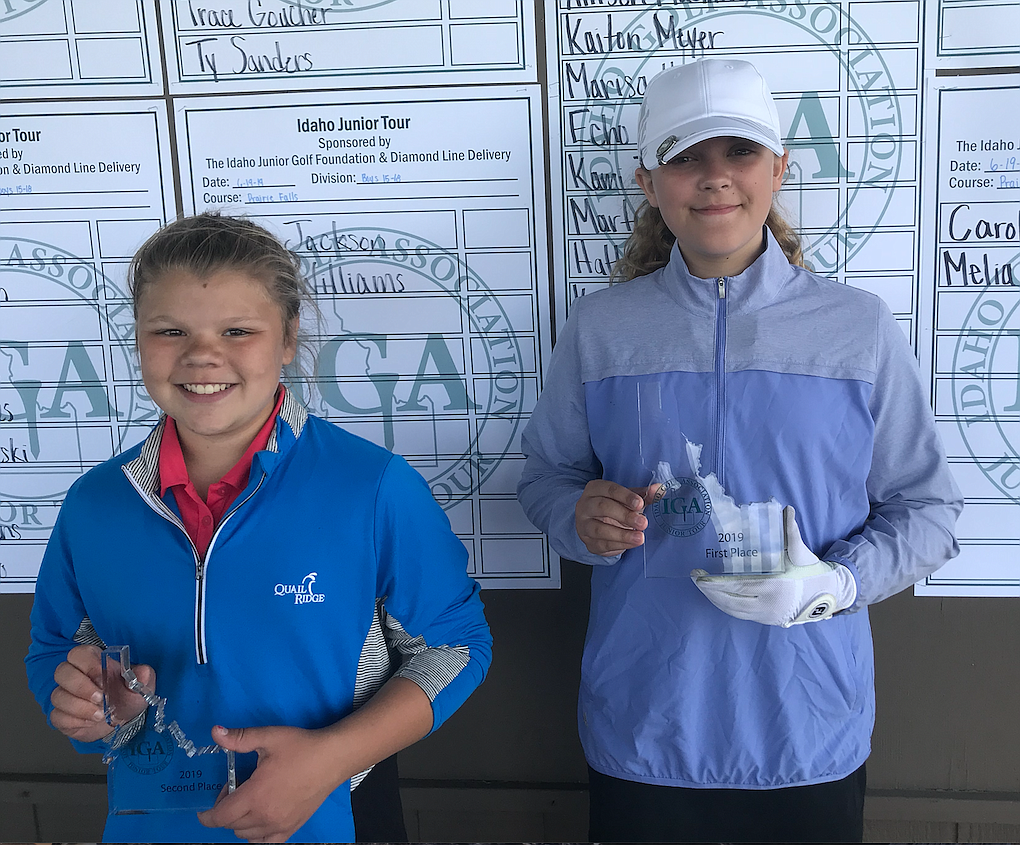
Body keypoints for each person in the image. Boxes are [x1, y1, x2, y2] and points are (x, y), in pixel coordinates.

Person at [517, 59, 962, 843]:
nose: (715, 179)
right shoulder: (600, 328)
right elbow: (547, 479)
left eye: (740, 153)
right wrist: (577, 518)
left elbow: (928, 509)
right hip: (643, 729)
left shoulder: (858, 328)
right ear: (649, 181)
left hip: (808, 733)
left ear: (780, 169)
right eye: (687, 156)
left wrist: (839, 583)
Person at [25, 212, 492, 843]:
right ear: (137, 339)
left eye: (238, 330)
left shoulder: (371, 487)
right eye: (170, 331)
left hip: (332, 815)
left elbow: (453, 649)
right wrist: (93, 707)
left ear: (289, 337)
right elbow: (55, 652)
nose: (202, 355)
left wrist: (330, 759)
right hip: (152, 826)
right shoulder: (93, 505)